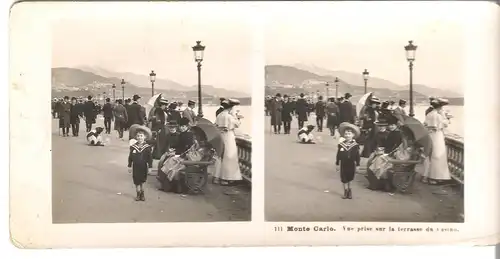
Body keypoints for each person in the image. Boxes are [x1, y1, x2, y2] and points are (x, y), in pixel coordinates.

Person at [422, 98, 452, 185]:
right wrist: (448, 119)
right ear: (440, 107)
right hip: (437, 135)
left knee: (430, 155)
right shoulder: (438, 116)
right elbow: (443, 125)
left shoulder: (429, 114)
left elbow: (426, 125)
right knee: (438, 155)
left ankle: (427, 175)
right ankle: (434, 177)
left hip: (430, 135)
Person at [214, 98, 243, 185]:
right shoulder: (229, 117)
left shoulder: (219, 115)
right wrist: (237, 117)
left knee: (221, 157)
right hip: (229, 137)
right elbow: (237, 124)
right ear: (230, 108)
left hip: (221, 137)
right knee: (230, 157)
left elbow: (216, 125)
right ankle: (227, 178)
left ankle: (217, 177)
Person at [128, 125, 153, 201]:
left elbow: (150, 158)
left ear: (145, 137)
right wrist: (129, 166)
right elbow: (130, 157)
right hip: (135, 167)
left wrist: (150, 167)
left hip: (143, 166)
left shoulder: (147, 147)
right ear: (136, 137)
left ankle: (142, 194)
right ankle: (138, 194)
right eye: (138, 136)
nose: (139, 138)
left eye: (141, 136)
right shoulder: (133, 147)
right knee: (136, 181)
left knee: (142, 181)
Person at [336, 122, 361, 199]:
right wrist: (337, 164)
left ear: (353, 135)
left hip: (351, 164)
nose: (347, 135)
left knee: (350, 178)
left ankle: (350, 191)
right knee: (344, 179)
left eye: (349, 134)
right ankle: (345, 191)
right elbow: (338, 155)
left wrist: (358, 165)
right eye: (346, 134)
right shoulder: (341, 145)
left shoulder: (355, 145)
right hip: (343, 164)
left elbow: (357, 156)